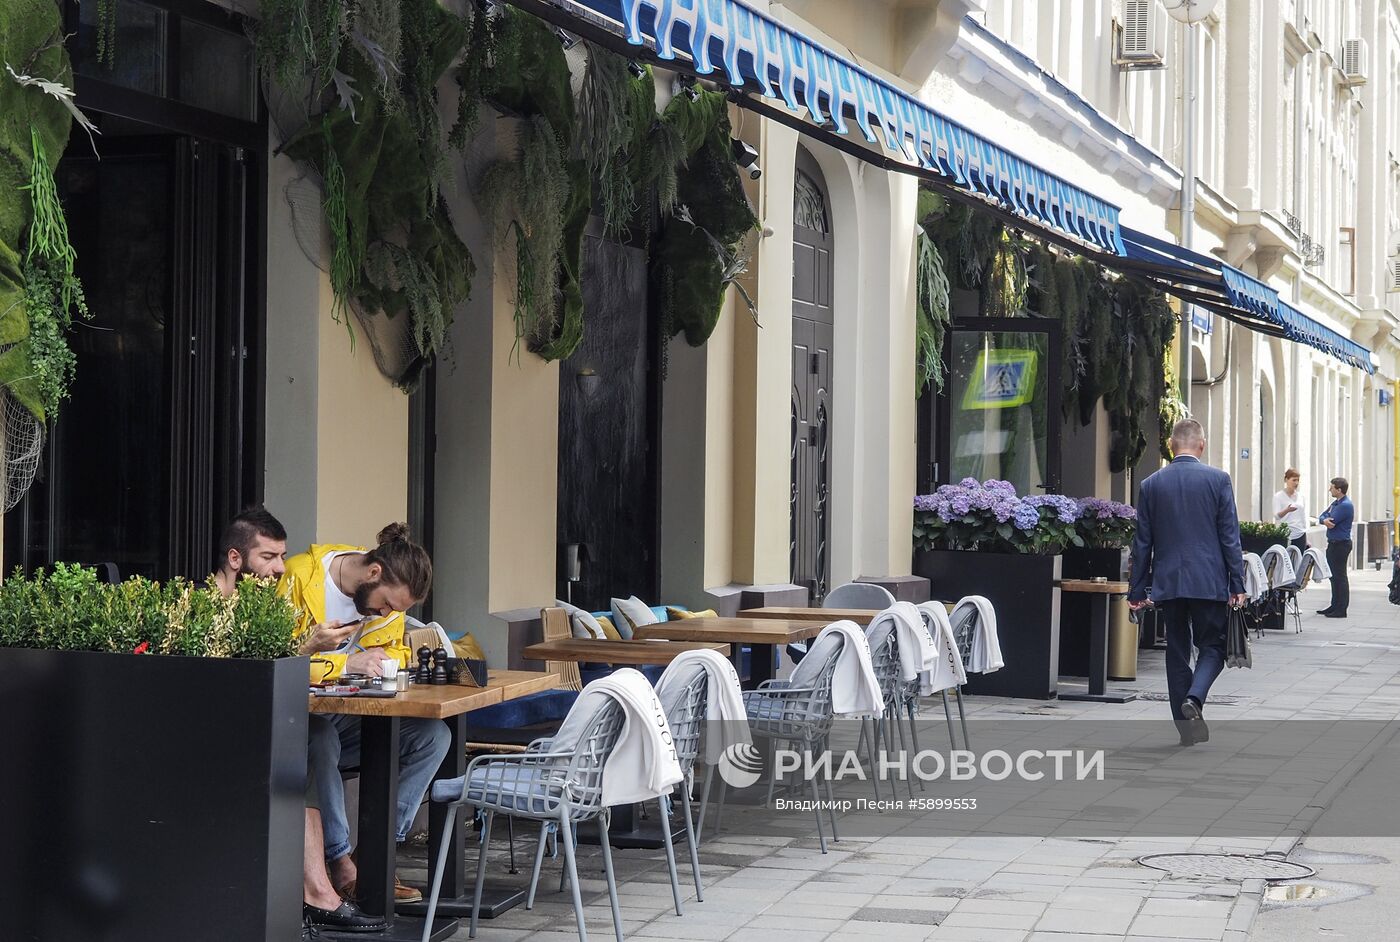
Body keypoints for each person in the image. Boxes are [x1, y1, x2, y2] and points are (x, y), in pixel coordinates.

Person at [208, 508, 383, 936]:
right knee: (305, 739)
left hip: (263, 729)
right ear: (235, 559)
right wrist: (310, 647)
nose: (280, 568)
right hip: (218, 739)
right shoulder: (205, 606)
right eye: (269, 557)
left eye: (282, 556)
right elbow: (236, 680)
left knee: (315, 735)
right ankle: (321, 891)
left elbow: (276, 669)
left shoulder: (261, 605)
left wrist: (313, 649)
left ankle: (321, 887)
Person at [280, 523, 450, 908]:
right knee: (320, 737)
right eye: (388, 604)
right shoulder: (299, 577)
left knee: (433, 736)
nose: (387, 613)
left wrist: (393, 660)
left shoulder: (385, 605)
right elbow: (278, 655)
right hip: (298, 716)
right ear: (373, 573)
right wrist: (344, 664)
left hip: (349, 711)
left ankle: (373, 854)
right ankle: (340, 862)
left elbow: (395, 651)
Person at [1129, 419, 1247, 746]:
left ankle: (1186, 730)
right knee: (1213, 647)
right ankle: (1195, 698)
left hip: (1169, 583)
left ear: (1170, 444)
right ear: (1202, 445)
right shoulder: (1219, 480)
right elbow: (1229, 538)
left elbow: (1142, 544)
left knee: (1176, 653)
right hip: (1209, 581)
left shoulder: (1151, 484)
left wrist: (1136, 591)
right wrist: (1237, 583)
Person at [1317, 477, 1354, 618]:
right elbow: (1323, 516)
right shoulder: (1336, 503)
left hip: (1341, 545)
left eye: (1331, 487)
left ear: (1339, 490)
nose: (1329, 489)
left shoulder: (1345, 505)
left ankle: (1341, 608)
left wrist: (1326, 519)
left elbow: (1331, 520)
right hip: (1333, 543)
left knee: (1340, 576)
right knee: (1333, 576)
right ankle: (1334, 605)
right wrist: (1323, 519)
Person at [1272, 469, 1308, 552]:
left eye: (1298, 480)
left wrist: (1306, 536)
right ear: (1286, 480)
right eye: (1294, 480)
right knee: (1286, 561)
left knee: (1299, 560)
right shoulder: (1278, 496)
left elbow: (1303, 516)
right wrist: (1287, 510)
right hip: (1285, 534)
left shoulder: (1301, 496)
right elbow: (1277, 516)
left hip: (1300, 533)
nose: (1296, 483)